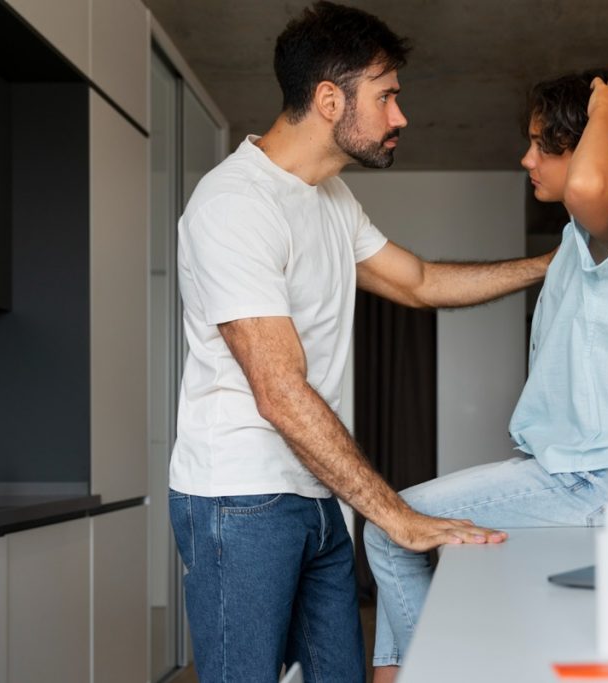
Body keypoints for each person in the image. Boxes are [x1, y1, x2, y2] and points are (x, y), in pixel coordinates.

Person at [167, 2, 556, 681]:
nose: (400, 116)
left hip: (317, 493)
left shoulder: (329, 199)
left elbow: (422, 281)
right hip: (240, 498)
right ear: (327, 99)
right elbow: (280, 390)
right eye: (387, 96)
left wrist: (550, 267)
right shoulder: (233, 205)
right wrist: (396, 517)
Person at [364, 70, 608, 682]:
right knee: (402, 530)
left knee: (391, 530)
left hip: (589, 480)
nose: (525, 157)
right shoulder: (576, 246)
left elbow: (589, 183)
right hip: (567, 474)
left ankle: (425, 673)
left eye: (541, 143)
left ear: (582, 148)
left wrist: (606, 110)